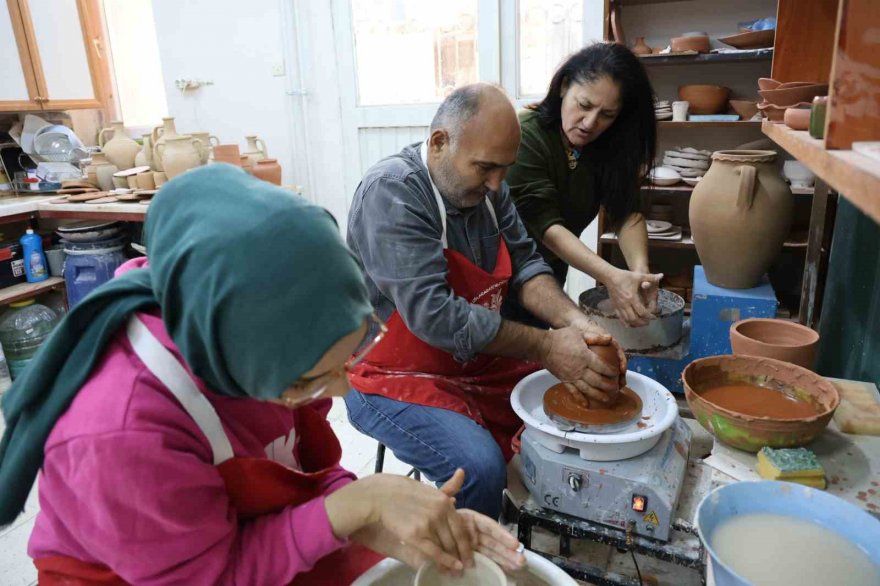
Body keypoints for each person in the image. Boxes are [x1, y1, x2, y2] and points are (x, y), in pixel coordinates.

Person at [0, 166, 526, 585]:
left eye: (351, 356)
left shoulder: (262, 345)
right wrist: (357, 506)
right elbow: (211, 575)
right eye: (311, 382)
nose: (342, 390)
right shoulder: (120, 434)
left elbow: (302, 469)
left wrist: (385, 521)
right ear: (238, 364)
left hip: (237, 539)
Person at [345, 83, 626, 521]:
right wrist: (547, 347)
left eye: (505, 169)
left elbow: (528, 268)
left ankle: (535, 524)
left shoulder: (490, 190)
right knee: (478, 468)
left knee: (572, 395)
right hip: (385, 373)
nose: (497, 183)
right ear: (440, 142)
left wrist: (576, 324)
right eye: (485, 168)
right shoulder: (394, 192)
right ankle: (476, 561)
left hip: (465, 361)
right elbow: (434, 316)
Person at [505, 42, 662, 328]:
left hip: (550, 278)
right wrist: (612, 277)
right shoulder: (527, 135)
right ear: (564, 86)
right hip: (502, 279)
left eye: (607, 115)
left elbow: (626, 211)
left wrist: (640, 273)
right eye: (585, 105)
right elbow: (547, 229)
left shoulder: (606, 145)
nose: (590, 123)